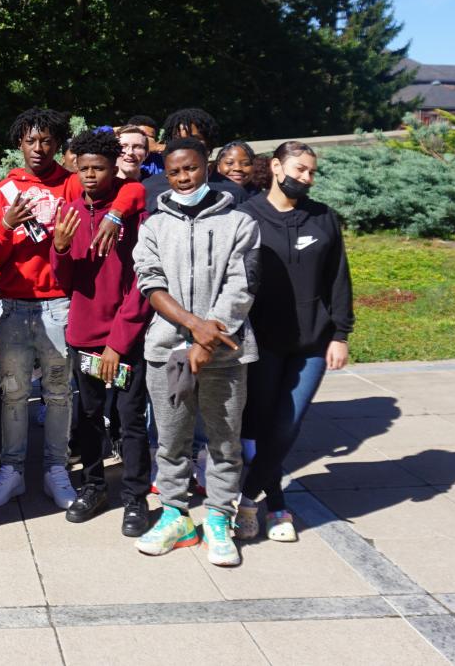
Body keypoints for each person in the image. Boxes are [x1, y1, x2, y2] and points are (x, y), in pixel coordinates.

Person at [0, 108, 133, 511]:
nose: (38, 148)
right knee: (12, 392)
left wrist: (115, 213)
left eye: (46, 140)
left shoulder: (71, 183)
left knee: (59, 393)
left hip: (60, 304)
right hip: (13, 303)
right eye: (30, 140)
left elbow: (131, 190)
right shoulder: (1, 191)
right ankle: (11, 470)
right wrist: (7, 225)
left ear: (58, 144)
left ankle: (57, 469)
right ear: (19, 143)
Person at [132, 138, 259, 568]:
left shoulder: (240, 223)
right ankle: (175, 516)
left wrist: (207, 339)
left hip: (225, 352)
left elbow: (241, 287)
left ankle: (220, 519)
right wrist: (192, 329)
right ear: (165, 175)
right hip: (167, 350)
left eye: (191, 168)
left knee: (224, 442)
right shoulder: (153, 226)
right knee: (171, 440)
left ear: (206, 166)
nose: (184, 178)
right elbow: (151, 284)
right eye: (175, 172)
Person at [237, 141, 353, 543]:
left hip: (312, 344)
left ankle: (248, 498)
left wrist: (340, 334)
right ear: (275, 166)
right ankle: (278, 503)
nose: (306, 178)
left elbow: (339, 279)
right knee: (260, 425)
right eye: (300, 169)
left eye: (311, 172)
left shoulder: (322, 218)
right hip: (261, 342)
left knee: (287, 426)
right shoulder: (245, 217)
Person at [49, 130, 152, 536]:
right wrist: (58, 247)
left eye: (100, 168)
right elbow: (65, 280)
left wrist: (118, 343)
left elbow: (143, 282)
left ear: (114, 169)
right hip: (85, 336)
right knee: (89, 417)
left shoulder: (133, 211)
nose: (90, 175)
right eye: (84, 167)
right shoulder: (70, 210)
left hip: (124, 338)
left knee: (129, 420)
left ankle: (135, 498)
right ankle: (93, 486)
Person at [140, 109, 250, 214]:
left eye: (195, 139)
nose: (186, 145)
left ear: (209, 144)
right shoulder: (150, 188)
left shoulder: (235, 193)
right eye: (179, 139)